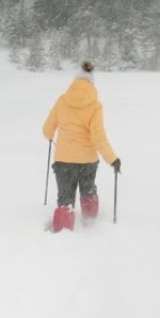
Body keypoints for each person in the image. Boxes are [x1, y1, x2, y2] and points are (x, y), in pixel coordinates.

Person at [43, 61, 121, 232]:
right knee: (88, 191)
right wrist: (112, 159)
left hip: (63, 160)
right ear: (92, 83)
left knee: (65, 199)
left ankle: (62, 231)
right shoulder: (95, 106)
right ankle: (90, 222)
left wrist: (50, 136)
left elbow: (47, 130)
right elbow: (99, 137)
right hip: (87, 161)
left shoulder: (62, 101)